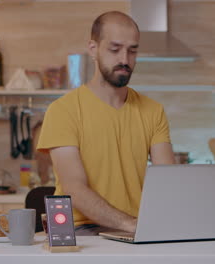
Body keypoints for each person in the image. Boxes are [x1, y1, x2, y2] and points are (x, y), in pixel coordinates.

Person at [37, 11, 175, 235]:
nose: (124, 60)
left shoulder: (153, 111)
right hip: (81, 230)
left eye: (132, 50)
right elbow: (74, 188)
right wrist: (130, 224)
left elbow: (169, 182)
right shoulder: (63, 111)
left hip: (136, 229)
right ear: (93, 49)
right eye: (115, 49)